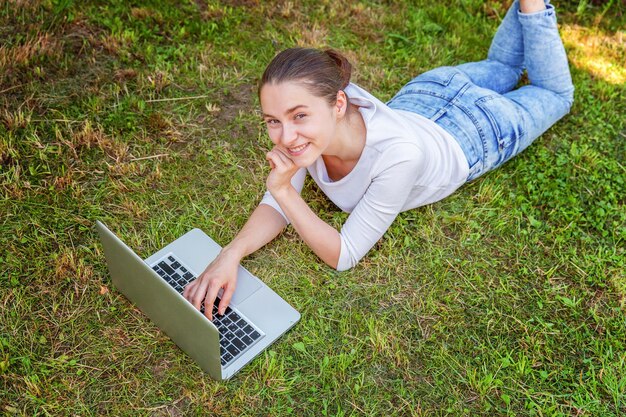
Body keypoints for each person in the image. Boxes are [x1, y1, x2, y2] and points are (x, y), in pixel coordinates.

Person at [184, 0, 574, 319]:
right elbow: (276, 207)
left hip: (477, 130)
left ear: (339, 103)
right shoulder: (315, 119)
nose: (286, 137)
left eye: (299, 115)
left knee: (555, 95)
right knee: (506, 68)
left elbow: (344, 254)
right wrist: (228, 255)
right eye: (273, 120)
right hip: (429, 91)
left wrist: (285, 192)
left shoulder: (399, 157)